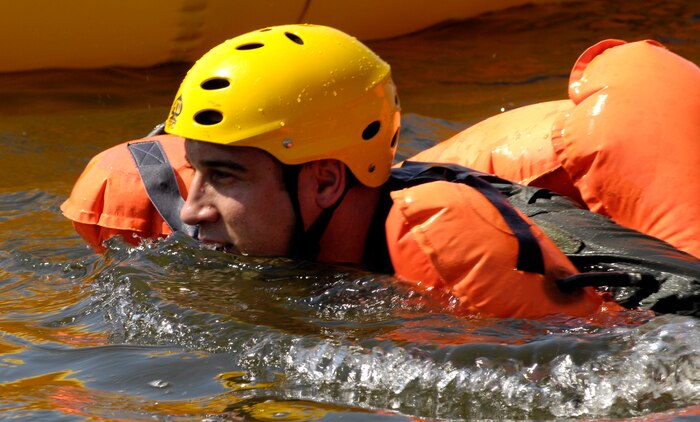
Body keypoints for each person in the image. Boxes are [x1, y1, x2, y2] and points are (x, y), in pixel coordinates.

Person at [62, 24, 700, 318]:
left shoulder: (457, 251)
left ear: (325, 180)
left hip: (621, 170)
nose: (193, 208)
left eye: (225, 177)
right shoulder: (167, 202)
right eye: (193, 170)